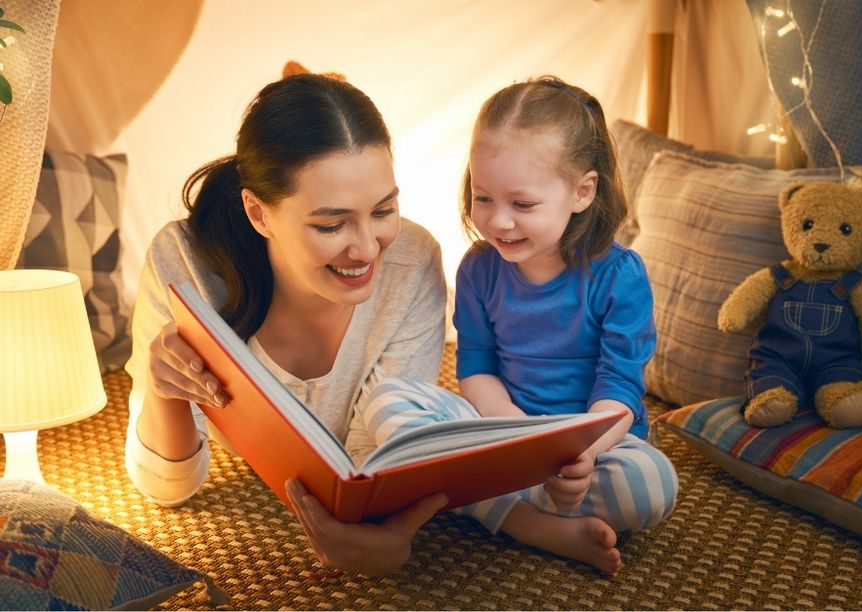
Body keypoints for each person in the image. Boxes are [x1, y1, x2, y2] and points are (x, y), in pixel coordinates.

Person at [123, 73, 449, 576]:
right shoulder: (185, 265)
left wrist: (389, 532)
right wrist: (165, 390)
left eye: (384, 209)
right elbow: (167, 487)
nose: (366, 248)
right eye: (331, 225)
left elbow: (381, 458)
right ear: (258, 212)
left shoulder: (413, 263)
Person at [357, 76, 678, 575]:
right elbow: (477, 368)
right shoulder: (478, 269)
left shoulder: (620, 276)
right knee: (386, 399)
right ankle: (525, 520)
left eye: (522, 205)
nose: (498, 221)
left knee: (653, 484)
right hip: (500, 430)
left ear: (582, 191)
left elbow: (620, 391)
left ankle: (476, 499)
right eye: (483, 197)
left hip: (592, 445)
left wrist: (578, 455)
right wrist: (513, 438)